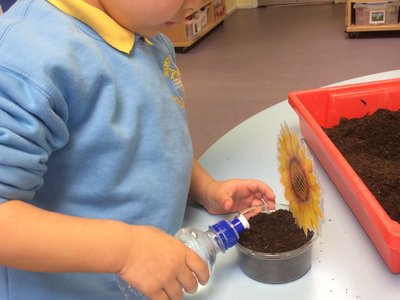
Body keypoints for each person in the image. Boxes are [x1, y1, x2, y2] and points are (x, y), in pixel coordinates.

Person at [0, 1, 276, 299]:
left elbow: (152, 140)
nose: (198, 3)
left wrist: (204, 188)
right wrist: (125, 250)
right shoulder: (26, 60)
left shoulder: (149, 36)